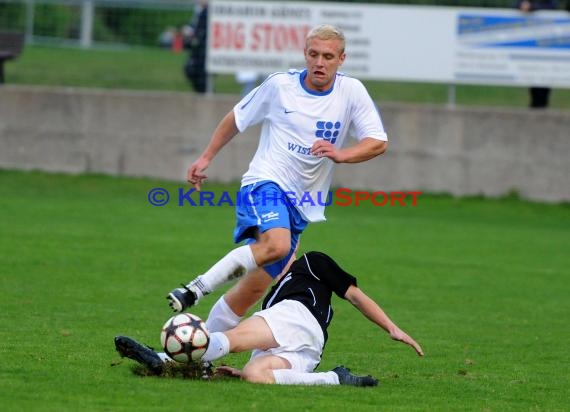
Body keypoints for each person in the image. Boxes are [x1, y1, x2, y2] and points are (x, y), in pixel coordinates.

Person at [167, 24, 389, 339]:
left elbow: (378, 141)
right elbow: (237, 118)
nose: (319, 63)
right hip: (265, 183)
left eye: (328, 56)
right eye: (313, 55)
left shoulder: (351, 91)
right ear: (305, 54)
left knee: (251, 291)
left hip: (301, 206)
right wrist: (205, 158)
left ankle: (195, 355)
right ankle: (194, 289)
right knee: (277, 244)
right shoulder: (280, 86)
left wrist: (342, 154)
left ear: (342, 59)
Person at [116, 251, 423, 386]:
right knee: (253, 374)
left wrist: (392, 328)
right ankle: (335, 378)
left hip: (296, 318)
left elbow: (354, 294)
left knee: (231, 340)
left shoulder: (312, 263)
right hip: (308, 351)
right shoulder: (270, 292)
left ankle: (162, 358)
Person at [517, 0, 559, 108]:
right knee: (532, 69)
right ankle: (536, 102)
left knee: (546, 70)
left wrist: (532, 7)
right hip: (532, 38)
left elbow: (552, 5)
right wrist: (522, 5)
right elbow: (517, 4)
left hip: (547, 39)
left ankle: (542, 102)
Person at [183, 0, 208, 93]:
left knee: (200, 75)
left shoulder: (206, 12)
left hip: (203, 50)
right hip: (198, 49)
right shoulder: (199, 11)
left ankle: (203, 92)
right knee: (191, 70)